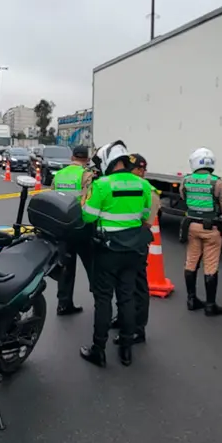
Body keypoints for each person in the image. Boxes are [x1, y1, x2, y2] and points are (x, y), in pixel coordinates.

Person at [79, 141, 152, 368]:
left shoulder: (101, 185)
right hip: (133, 251)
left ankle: (98, 350)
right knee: (127, 298)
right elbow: (146, 216)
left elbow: (88, 217)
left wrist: (86, 200)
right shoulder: (143, 185)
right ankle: (126, 350)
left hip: (107, 251)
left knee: (103, 300)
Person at [179, 148, 222, 316]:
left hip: (191, 227)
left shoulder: (186, 180)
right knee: (210, 265)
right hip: (211, 228)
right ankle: (210, 305)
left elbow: (184, 197)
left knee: (191, 262)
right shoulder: (217, 182)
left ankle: (191, 299)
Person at [112, 153, 157, 345]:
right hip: (123, 243)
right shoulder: (131, 186)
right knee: (122, 284)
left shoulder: (149, 190)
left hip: (136, 244)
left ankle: (138, 328)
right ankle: (123, 319)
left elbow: (148, 221)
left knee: (137, 286)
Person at [50, 145, 95, 316]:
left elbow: (52, 197)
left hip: (62, 227)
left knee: (66, 267)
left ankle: (63, 304)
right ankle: (100, 301)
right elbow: (89, 201)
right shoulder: (87, 175)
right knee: (92, 265)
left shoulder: (60, 174)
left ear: (72, 157)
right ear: (87, 159)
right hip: (81, 227)